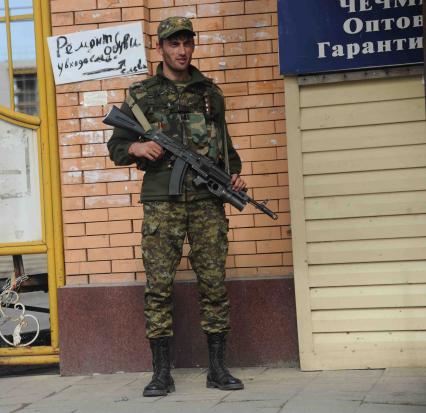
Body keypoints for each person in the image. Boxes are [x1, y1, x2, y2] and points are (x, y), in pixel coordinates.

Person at [107, 16, 245, 397]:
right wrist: (136, 147)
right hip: (161, 204)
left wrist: (234, 175)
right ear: (161, 47)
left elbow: (226, 150)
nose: (181, 50)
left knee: (214, 283)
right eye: (173, 44)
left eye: (187, 43)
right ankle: (161, 374)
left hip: (206, 202)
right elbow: (116, 146)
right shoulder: (142, 95)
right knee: (159, 286)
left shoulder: (209, 93)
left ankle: (217, 370)